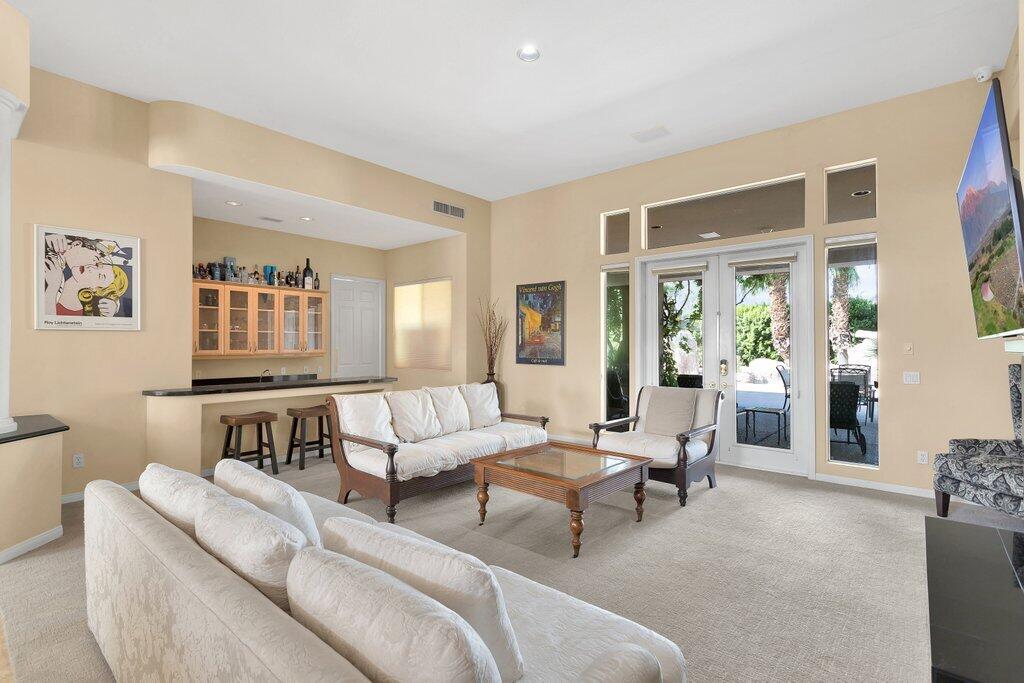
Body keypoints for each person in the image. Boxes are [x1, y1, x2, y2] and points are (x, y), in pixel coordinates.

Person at [42, 232, 130, 317]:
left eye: (100, 276)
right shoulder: (58, 268)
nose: (91, 267)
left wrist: (115, 306)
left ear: (95, 290)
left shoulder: (84, 310)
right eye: (97, 264)